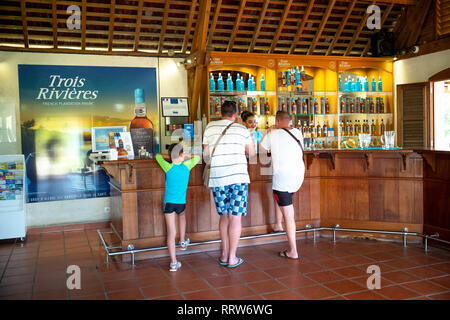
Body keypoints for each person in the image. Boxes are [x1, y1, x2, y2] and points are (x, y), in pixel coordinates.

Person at [203, 100, 256, 268]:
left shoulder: (210, 127)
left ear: (220, 112)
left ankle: (224, 254)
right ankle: (233, 257)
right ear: (235, 114)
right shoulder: (242, 129)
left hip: (218, 177)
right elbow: (252, 154)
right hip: (238, 177)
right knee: (235, 217)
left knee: (224, 216)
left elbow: (206, 154)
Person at [260, 111, 305, 260]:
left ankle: (293, 251)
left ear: (277, 120)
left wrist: (269, 131)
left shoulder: (273, 134)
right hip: (298, 177)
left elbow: (260, 149)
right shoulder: (298, 133)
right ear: (290, 121)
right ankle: (278, 225)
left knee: (289, 215)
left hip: (283, 178)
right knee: (284, 202)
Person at [155, 143, 201, 271]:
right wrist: (186, 156)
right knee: (182, 215)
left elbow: (157, 156)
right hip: (181, 203)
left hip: (169, 203)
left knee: (171, 233)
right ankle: (182, 241)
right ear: (182, 155)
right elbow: (197, 156)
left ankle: (174, 263)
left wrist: (170, 157)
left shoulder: (168, 167)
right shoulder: (187, 166)